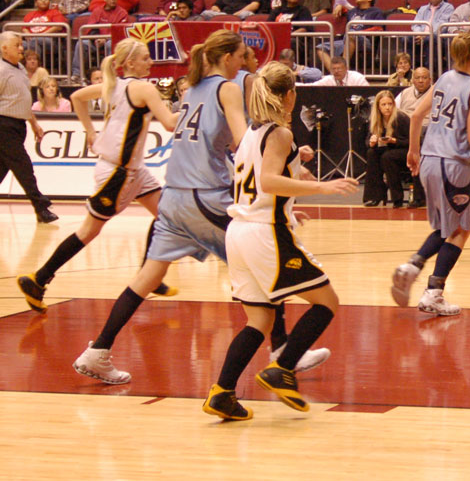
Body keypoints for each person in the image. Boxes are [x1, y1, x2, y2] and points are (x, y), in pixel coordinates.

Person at [73, 32, 324, 384]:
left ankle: (98, 350)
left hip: (173, 195)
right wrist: (288, 158)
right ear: (227, 58)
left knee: (147, 277)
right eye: (241, 56)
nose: (244, 62)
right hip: (203, 194)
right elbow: (244, 141)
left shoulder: (191, 88)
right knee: (264, 256)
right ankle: (282, 351)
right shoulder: (227, 88)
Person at [205, 62, 359, 421]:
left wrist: (288, 203)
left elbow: (261, 178)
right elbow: (269, 182)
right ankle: (282, 368)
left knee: (259, 319)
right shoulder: (280, 134)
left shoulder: (252, 132)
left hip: (240, 231)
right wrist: (322, 187)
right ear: (290, 94)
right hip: (264, 232)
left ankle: (222, 393)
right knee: (326, 301)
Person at [17, 39, 179, 313]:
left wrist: (90, 131)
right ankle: (38, 279)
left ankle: (149, 276)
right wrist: (197, 106)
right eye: (145, 58)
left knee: (168, 215)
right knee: (88, 232)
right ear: (130, 63)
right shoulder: (143, 88)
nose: (150, 62)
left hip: (133, 170)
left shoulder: (115, 85)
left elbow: (77, 97)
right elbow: (170, 123)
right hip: (118, 173)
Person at [391, 33, 470, 315]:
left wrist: (413, 151)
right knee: (462, 228)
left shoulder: (444, 78)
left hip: (429, 160)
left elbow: (415, 116)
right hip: (453, 164)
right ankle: (431, 290)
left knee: (446, 227)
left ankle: (414, 267)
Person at [0, 32, 56, 223]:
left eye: (21, 44)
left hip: (19, 124)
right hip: (4, 126)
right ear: (4, 48)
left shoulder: (21, 68)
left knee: (3, 168)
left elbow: (23, 99)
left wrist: (34, 123)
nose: (21, 48)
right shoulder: (1, 70)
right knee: (23, 166)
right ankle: (41, 206)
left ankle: (40, 207)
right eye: (16, 45)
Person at [363, 90, 416, 208]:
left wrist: (394, 141)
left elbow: (412, 142)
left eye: (390, 104)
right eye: (384, 104)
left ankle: (397, 198)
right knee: (371, 153)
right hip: (389, 150)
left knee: (387, 157)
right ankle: (374, 196)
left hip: (406, 151)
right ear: (378, 107)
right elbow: (367, 141)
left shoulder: (401, 118)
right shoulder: (376, 120)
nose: (387, 107)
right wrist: (372, 142)